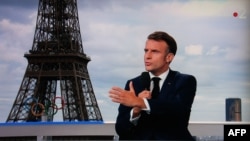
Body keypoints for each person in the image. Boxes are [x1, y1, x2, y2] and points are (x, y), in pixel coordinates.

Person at [109, 31, 197, 140]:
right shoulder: (133, 84)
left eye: (155, 51)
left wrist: (140, 102)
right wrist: (136, 111)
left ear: (169, 57)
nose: (147, 56)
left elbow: (177, 112)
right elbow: (121, 130)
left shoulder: (185, 81)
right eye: (146, 51)